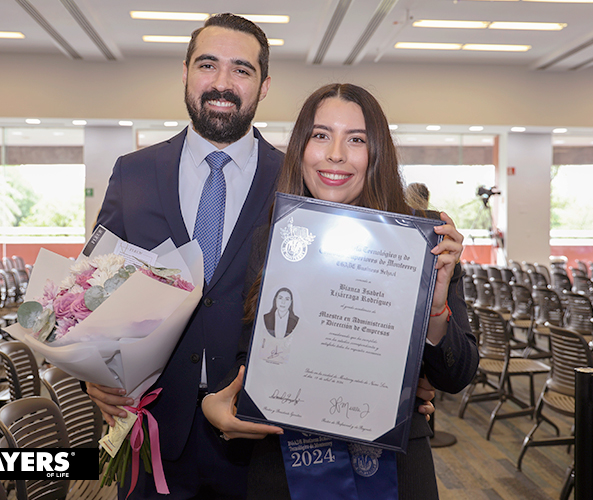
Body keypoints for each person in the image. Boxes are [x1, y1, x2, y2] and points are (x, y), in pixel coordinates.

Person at [202, 83, 479, 500]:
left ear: (377, 153)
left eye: (356, 139)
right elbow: (253, 356)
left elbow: (456, 376)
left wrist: (435, 307)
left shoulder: (424, 239)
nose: (335, 154)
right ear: (301, 148)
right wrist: (218, 401)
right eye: (321, 135)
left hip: (396, 467)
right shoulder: (272, 239)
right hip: (284, 462)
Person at [84, 13, 284, 499]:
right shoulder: (133, 172)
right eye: (207, 65)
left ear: (263, 85)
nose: (222, 83)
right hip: (150, 429)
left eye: (241, 69)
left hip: (257, 437)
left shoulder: (293, 181)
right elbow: (94, 285)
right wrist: (95, 372)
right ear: (185, 72)